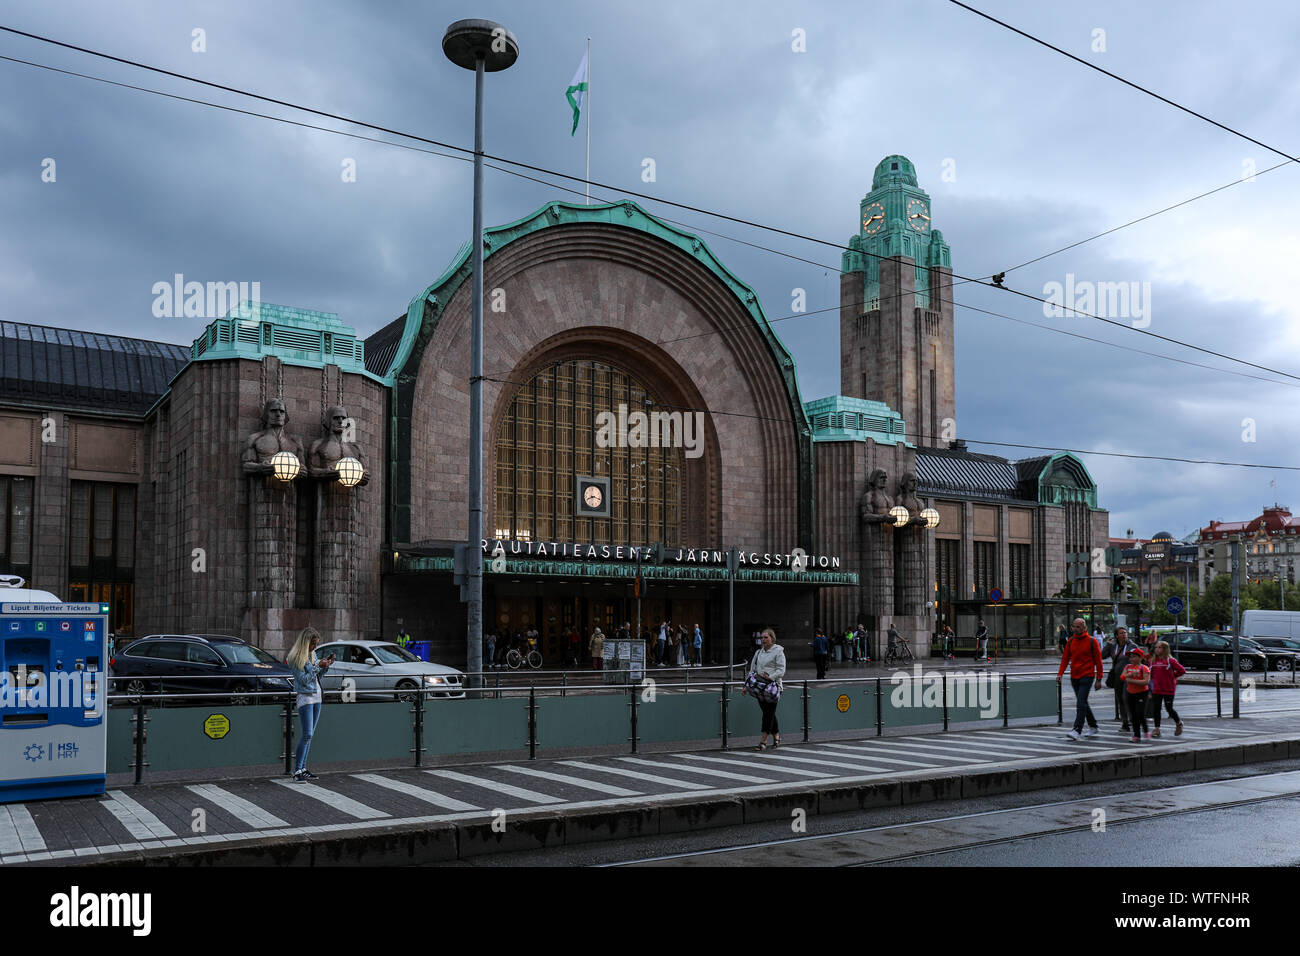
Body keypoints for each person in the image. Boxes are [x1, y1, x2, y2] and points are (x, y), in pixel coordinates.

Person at [286, 626, 334, 781]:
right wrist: (316, 667)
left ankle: (303, 768)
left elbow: (315, 677)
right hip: (305, 697)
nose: (314, 647)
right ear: (306, 643)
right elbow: (303, 680)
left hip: (316, 696)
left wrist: (325, 667)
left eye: (316, 644)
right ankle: (298, 770)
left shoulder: (312, 654)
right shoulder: (295, 657)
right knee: (307, 734)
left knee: (309, 736)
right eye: (313, 644)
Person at [1056, 617, 1103, 740]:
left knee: (1080, 702)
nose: (1075, 629)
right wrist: (1060, 674)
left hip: (1087, 676)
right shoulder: (1071, 641)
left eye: (1078, 627)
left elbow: (1099, 662)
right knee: (1083, 703)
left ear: (1084, 628)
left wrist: (1099, 679)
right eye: (1074, 626)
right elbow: (1065, 659)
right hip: (1074, 676)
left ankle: (1077, 730)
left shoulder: (1092, 641)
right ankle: (1093, 726)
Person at [742, 628, 786, 750]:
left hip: (773, 688)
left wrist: (770, 677)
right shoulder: (758, 653)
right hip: (760, 687)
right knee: (769, 713)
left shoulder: (778, 652)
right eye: (762, 637)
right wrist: (746, 686)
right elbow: (752, 670)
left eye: (766, 637)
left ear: (772, 638)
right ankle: (776, 736)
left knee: (768, 714)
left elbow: (781, 670)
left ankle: (763, 741)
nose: (763, 640)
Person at [1103, 627, 1142, 733]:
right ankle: (1125, 723)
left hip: (1130, 677)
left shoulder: (1132, 646)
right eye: (1121, 633)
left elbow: (1140, 659)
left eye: (1125, 633)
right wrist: (1108, 645)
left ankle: (1132, 720)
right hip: (1117, 676)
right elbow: (1102, 656)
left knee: (1127, 698)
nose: (1124, 634)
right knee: (1120, 699)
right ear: (1117, 636)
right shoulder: (1113, 647)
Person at [1149, 641, 1186, 737]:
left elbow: (1182, 670)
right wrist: (1149, 688)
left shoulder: (1170, 661)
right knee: (1156, 709)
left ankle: (1178, 722)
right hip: (1157, 689)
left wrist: (1173, 676)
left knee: (1169, 708)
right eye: (1156, 647)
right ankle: (1157, 729)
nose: (1157, 649)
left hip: (1168, 689)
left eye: (1160, 647)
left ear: (1165, 649)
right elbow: (1151, 675)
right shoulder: (1153, 661)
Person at [1122, 648, 1152, 742]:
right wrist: (1130, 675)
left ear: (1140, 658)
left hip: (1142, 693)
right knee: (1133, 715)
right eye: (1130, 657)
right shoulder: (1127, 667)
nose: (1131, 659)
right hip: (1130, 693)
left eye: (1134, 657)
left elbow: (1146, 682)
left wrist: (1131, 680)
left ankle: (1146, 729)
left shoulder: (1144, 668)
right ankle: (1137, 735)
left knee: (1140, 713)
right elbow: (1122, 677)